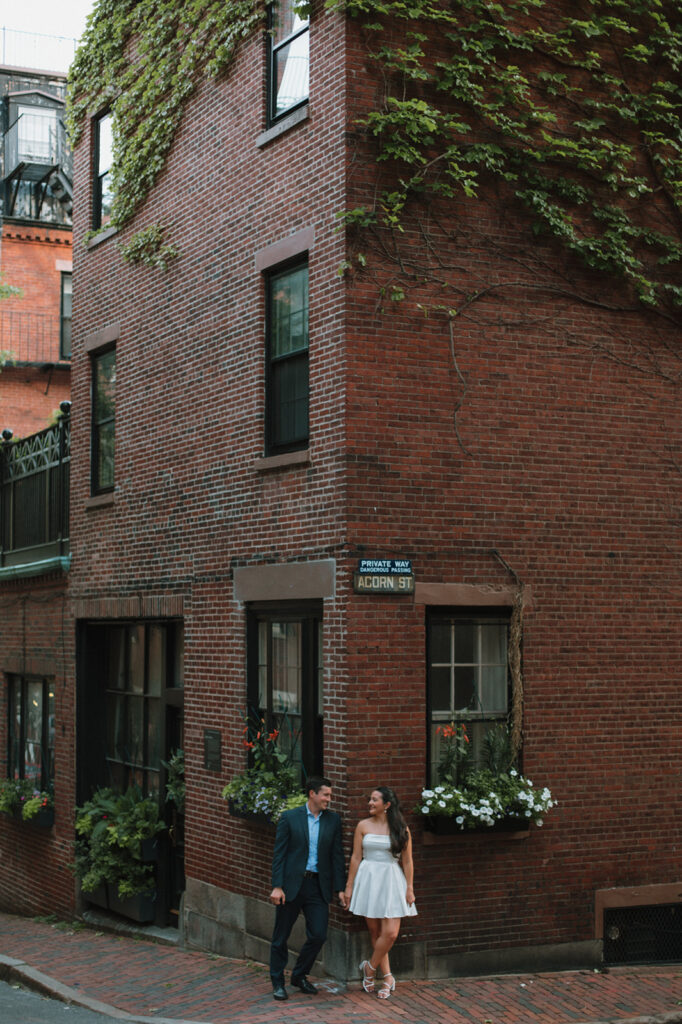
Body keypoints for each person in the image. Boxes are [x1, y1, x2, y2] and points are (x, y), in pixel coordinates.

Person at [269, 776, 347, 1001]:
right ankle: (277, 982)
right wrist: (277, 886)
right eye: (326, 795)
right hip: (292, 886)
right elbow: (279, 855)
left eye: (330, 796)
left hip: (317, 886)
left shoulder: (333, 820)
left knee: (319, 935)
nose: (329, 800)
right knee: (280, 937)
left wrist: (340, 888)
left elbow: (336, 856)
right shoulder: (289, 818)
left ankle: (299, 975)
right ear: (312, 793)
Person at [344, 785, 416, 999]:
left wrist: (410, 887)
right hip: (368, 879)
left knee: (391, 933)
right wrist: (349, 886)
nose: (370, 803)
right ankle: (387, 977)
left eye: (375, 800)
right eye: (370, 799)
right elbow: (356, 857)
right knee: (375, 933)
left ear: (387, 805)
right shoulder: (362, 825)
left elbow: (408, 860)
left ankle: (369, 968)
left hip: (392, 879)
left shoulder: (401, 829)